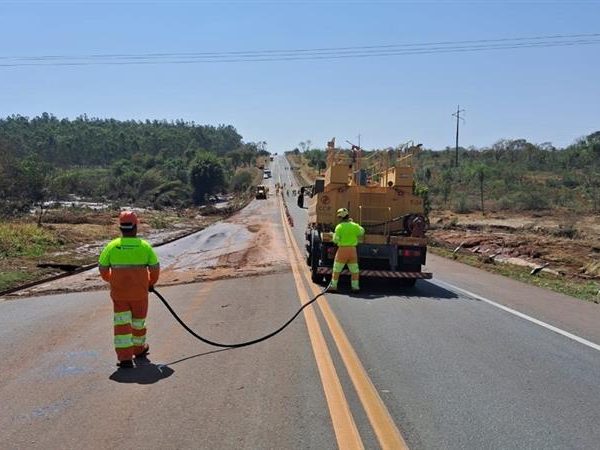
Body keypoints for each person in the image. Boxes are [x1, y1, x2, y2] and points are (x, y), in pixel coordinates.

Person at [99, 211, 160, 368]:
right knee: (138, 323)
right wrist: (150, 283)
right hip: (140, 294)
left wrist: (112, 280)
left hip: (119, 295)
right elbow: (154, 268)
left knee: (122, 325)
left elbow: (103, 268)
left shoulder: (111, 247)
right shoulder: (145, 247)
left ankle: (125, 358)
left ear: (121, 228)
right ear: (135, 228)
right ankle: (139, 350)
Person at [330, 208, 365, 292]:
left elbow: (335, 240)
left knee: (336, 269)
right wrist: (354, 224)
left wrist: (333, 235)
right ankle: (355, 287)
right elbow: (362, 231)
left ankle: (333, 286)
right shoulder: (354, 226)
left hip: (342, 250)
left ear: (340, 218)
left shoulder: (339, 227)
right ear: (348, 216)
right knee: (354, 271)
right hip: (352, 251)